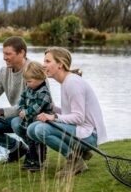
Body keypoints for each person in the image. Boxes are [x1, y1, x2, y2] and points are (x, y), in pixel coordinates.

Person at [26, 47, 108, 177]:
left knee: (41, 130)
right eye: (44, 61)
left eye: (48, 61)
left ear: (60, 64)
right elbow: (70, 114)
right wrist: (52, 108)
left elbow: (79, 118)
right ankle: (79, 153)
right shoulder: (66, 82)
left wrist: (53, 116)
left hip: (88, 135)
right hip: (79, 131)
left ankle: (75, 160)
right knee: (31, 129)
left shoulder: (72, 83)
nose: (43, 65)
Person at [17, 61, 53, 172]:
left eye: (29, 81)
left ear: (40, 78)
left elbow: (37, 107)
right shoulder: (29, 88)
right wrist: (21, 109)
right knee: (30, 142)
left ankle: (40, 163)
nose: (27, 84)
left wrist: (26, 112)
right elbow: (22, 100)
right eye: (26, 82)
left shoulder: (44, 92)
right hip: (29, 123)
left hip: (39, 123)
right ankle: (32, 160)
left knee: (38, 143)